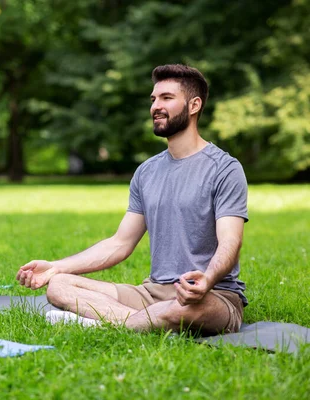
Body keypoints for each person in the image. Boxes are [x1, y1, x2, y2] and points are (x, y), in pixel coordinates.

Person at [16, 64, 248, 335]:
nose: (155, 106)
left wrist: (207, 280)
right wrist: (55, 267)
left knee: (180, 310)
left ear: (194, 105)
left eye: (166, 98)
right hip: (152, 293)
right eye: (153, 99)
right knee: (60, 285)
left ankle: (107, 322)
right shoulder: (147, 172)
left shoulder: (224, 169)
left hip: (211, 295)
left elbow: (231, 241)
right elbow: (120, 243)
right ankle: (140, 322)